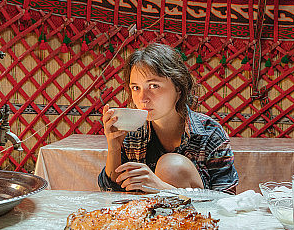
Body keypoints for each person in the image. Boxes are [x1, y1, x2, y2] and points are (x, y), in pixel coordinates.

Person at [98, 43, 239, 194]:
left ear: (178, 88)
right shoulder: (133, 132)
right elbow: (112, 192)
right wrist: (114, 147)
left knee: (172, 166)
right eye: (136, 88)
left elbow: (226, 200)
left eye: (153, 86)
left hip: (196, 216)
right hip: (147, 216)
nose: (142, 98)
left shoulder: (209, 133)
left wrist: (162, 189)